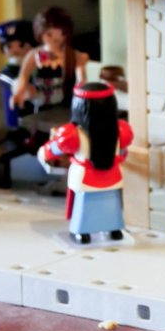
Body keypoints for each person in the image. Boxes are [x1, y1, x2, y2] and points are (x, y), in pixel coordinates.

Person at [39, 82, 133, 245]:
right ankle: (114, 230)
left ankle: (82, 232)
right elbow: (123, 152)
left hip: (85, 178)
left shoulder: (72, 134)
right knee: (111, 204)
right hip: (113, 176)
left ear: (79, 106)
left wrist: (43, 152)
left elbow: (55, 149)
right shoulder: (121, 130)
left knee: (84, 206)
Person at [11, 6, 89, 112]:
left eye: (62, 34)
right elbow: (23, 77)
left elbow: (81, 80)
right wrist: (19, 93)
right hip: (39, 104)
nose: (56, 39)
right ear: (40, 32)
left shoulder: (71, 55)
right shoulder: (34, 55)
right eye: (49, 34)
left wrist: (83, 94)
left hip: (64, 105)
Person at [0, 19, 37, 128]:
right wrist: (21, 86)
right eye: (9, 46)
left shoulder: (37, 68)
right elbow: (14, 83)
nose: (15, 50)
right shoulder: (6, 73)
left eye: (21, 45)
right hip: (16, 122)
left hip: (38, 119)